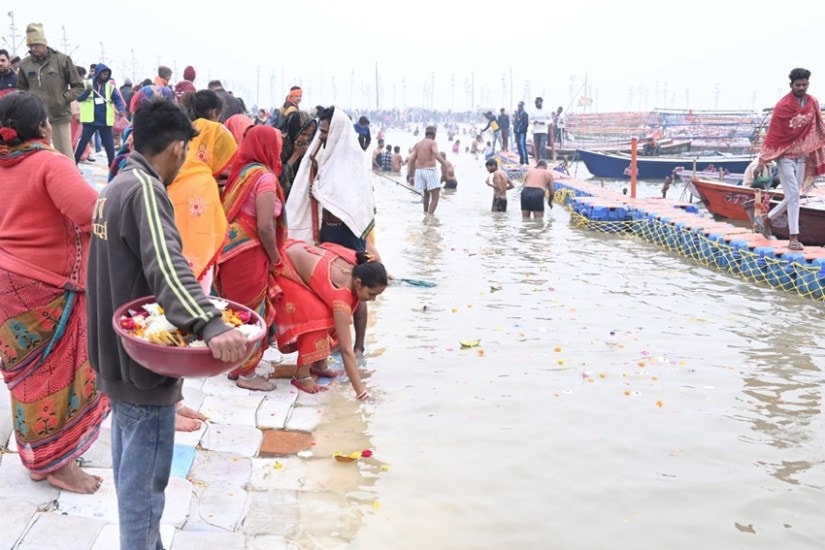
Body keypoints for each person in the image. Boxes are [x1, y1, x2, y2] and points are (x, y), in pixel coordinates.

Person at [87, 98, 249, 549]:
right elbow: (169, 267)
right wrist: (211, 325)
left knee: (129, 470)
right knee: (144, 489)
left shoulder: (115, 184)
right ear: (178, 147)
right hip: (142, 364)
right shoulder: (144, 188)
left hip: (114, 355)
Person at [0, 91, 110, 494]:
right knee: (55, 376)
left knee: (25, 377)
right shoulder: (48, 163)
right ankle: (58, 465)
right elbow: (91, 213)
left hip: (7, 285)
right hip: (46, 286)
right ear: (44, 126)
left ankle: (37, 459)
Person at [286, 106, 377, 359]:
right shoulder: (324, 154)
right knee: (328, 286)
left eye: (326, 132)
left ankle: (358, 346)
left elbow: (350, 200)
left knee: (356, 288)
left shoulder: (352, 158)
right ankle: (331, 341)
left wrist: (321, 192)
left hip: (349, 234)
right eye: (321, 132)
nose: (322, 136)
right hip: (327, 232)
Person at [214, 126, 287, 391]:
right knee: (252, 311)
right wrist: (275, 256)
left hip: (231, 248)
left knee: (234, 308)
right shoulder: (265, 179)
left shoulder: (242, 171)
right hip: (250, 252)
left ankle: (236, 364)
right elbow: (266, 226)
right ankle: (247, 374)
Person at [273, 239, 388, 395]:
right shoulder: (341, 298)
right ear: (358, 283)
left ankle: (319, 364)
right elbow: (347, 351)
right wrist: (361, 392)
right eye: (371, 294)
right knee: (319, 317)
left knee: (331, 315)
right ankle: (301, 375)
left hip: (298, 248)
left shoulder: (359, 263)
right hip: (286, 265)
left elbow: (328, 246)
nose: (372, 299)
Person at [169, 90, 238, 291]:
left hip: (175, 185)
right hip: (202, 190)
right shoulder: (218, 130)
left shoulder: (185, 128)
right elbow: (232, 163)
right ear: (214, 111)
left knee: (177, 244)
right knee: (201, 249)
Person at [755, 68, 825, 250]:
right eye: (798, 85)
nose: (802, 87)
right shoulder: (783, 106)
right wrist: (762, 161)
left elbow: (819, 126)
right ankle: (793, 238)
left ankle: (767, 218)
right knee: (794, 195)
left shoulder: (813, 102)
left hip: (803, 155)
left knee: (795, 195)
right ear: (791, 85)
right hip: (784, 156)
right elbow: (774, 135)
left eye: (804, 84)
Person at [16, 23, 84, 159]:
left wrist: (63, 99)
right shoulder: (25, 64)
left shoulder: (62, 60)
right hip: (36, 119)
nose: (33, 49)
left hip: (59, 115)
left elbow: (78, 87)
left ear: (43, 43)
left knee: (65, 156)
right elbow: (22, 91)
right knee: (36, 156)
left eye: (36, 45)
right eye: (30, 46)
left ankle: (67, 180)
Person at [74, 63, 127, 167]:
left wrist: (121, 109)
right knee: (83, 142)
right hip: (90, 121)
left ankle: (112, 165)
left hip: (104, 121)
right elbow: (79, 98)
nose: (105, 76)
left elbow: (118, 99)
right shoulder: (86, 84)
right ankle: (74, 163)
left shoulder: (110, 87)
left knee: (109, 145)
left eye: (107, 74)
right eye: (103, 74)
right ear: (98, 73)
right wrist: (87, 92)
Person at [407, 126, 450, 215]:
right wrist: (445, 164)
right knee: (436, 196)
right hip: (429, 170)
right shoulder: (432, 142)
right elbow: (437, 154)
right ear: (434, 135)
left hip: (419, 171)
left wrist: (411, 175)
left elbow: (411, 159)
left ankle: (425, 214)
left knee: (426, 195)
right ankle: (430, 217)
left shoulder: (418, 144)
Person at [279, 109, 317, 199]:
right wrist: (296, 155)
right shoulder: (281, 145)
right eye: (303, 134)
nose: (306, 139)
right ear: (294, 130)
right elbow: (278, 177)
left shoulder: (305, 146)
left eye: (309, 135)